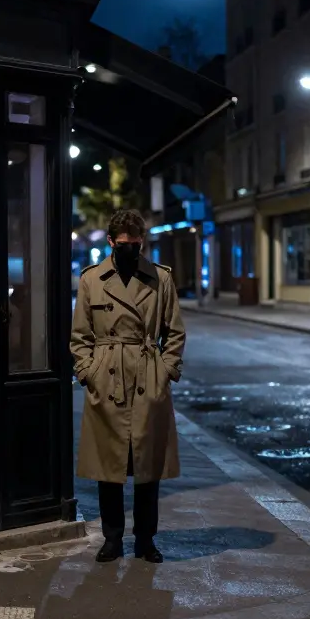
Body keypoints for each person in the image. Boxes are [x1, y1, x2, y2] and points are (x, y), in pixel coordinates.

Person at [70, 209, 186, 563]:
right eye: (124, 245)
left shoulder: (160, 278)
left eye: (136, 245)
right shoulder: (92, 279)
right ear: (110, 242)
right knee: (110, 467)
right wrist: (90, 372)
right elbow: (79, 337)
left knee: (148, 468)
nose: (130, 250)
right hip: (108, 379)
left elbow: (175, 332)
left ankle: (146, 540)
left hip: (147, 375)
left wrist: (164, 371)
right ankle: (113, 538)